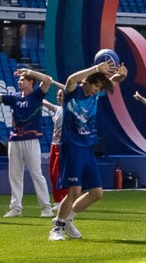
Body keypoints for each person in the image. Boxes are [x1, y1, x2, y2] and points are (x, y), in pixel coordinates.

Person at [47, 55, 126, 243]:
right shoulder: (73, 92)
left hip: (87, 148)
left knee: (96, 193)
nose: (96, 92)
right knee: (74, 192)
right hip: (72, 147)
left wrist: (122, 75)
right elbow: (71, 80)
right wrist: (97, 68)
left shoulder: (95, 94)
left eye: (99, 89)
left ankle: (68, 220)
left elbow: (113, 81)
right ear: (88, 82)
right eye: (95, 87)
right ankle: (56, 228)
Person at [0, 68, 53, 217]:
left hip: (31, 139)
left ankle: (46, 208)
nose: (19, 82)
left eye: (22, 80)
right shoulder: (15, 97)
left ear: (31, 82)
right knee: (14, 175)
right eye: (19, 80)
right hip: (14, 140)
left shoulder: (37, 95)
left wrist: (29, 71)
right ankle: (16, 208)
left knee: (36, 174)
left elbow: (48, 79)